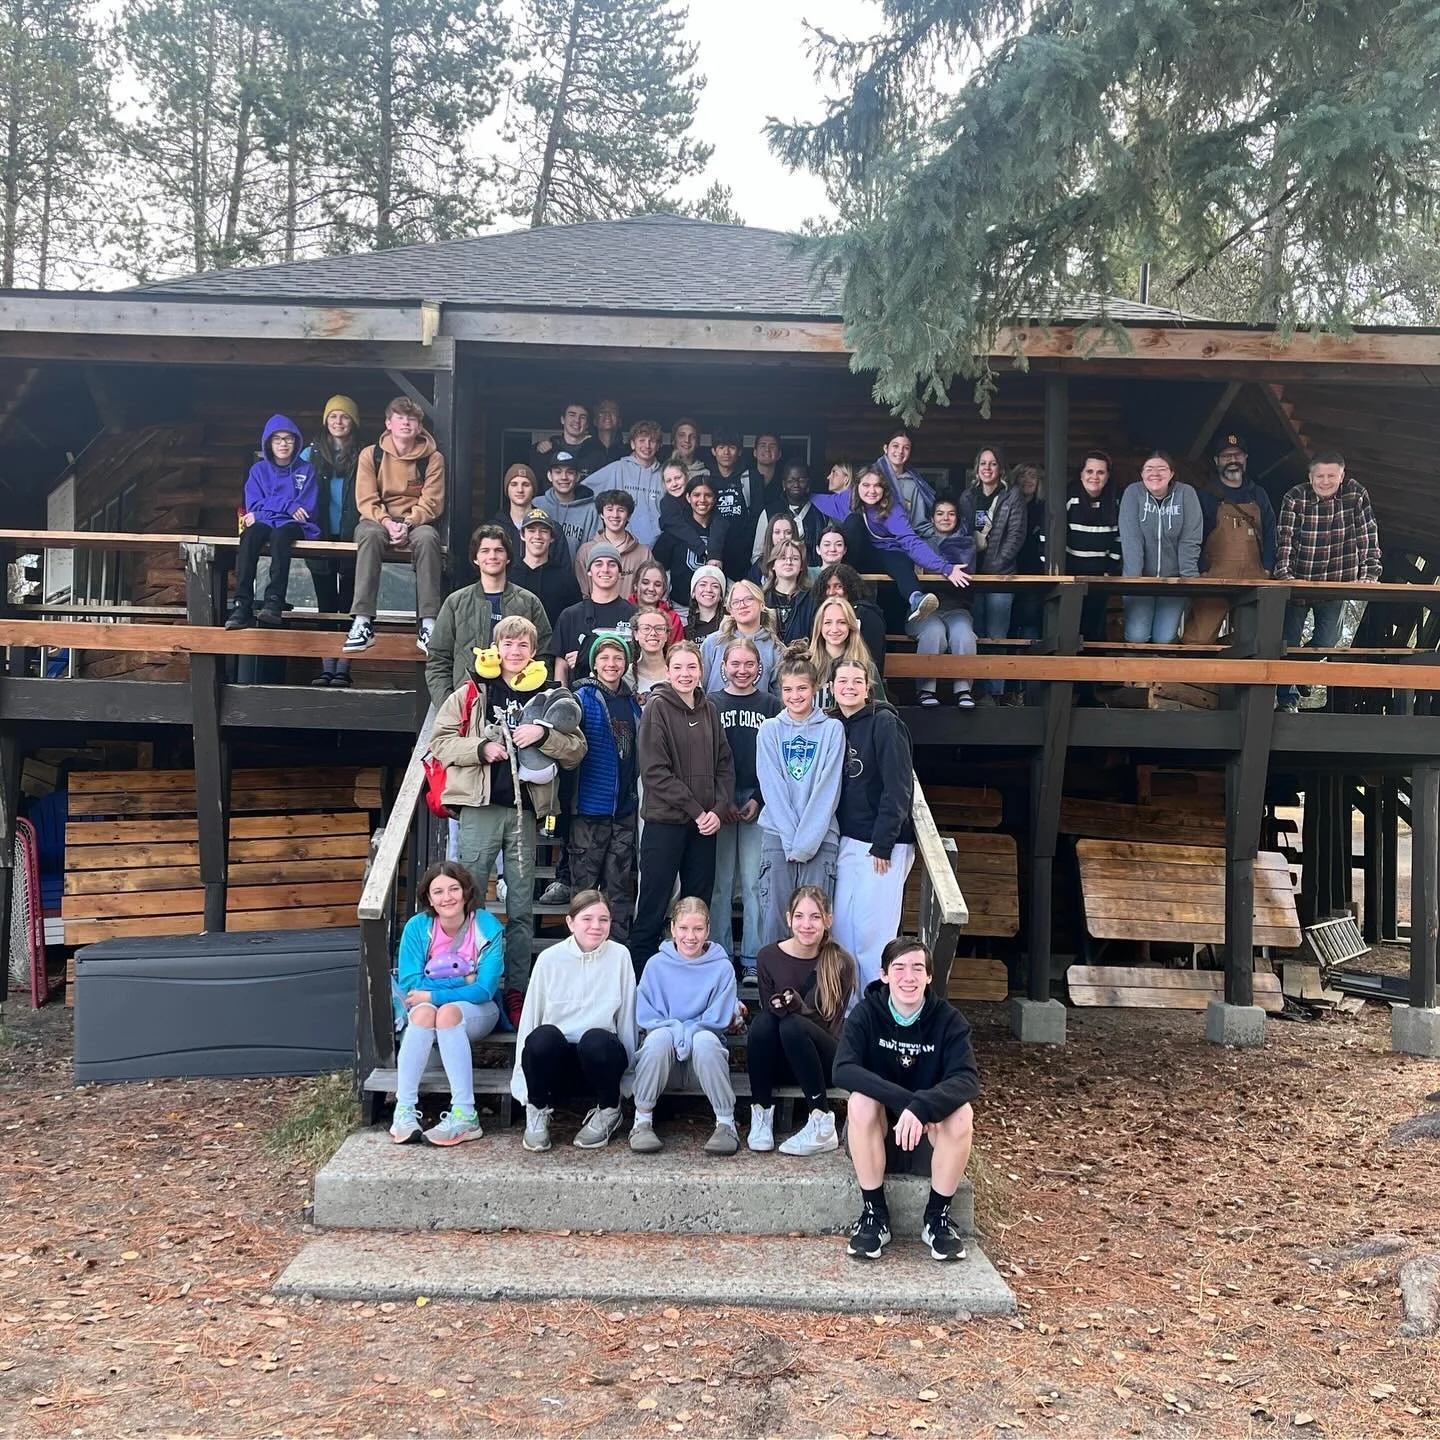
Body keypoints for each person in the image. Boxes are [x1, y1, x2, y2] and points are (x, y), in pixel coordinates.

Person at [428, 615, 586, 1024]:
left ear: (533, 652)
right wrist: (481, 749)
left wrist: (544, 736)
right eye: (508, 644)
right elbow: (440, 742)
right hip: (480, 808)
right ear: (495, 648)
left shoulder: (549, 694)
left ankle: (516, 989)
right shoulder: (472, 691)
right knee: (469, 900)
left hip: (525, 812)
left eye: (523, 646)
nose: (515, 652)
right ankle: (468, 981)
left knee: (520, 908)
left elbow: (576, 750)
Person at [835, 938, 979, 1263]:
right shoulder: (866, 1013)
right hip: (879, 1137)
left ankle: (937, 1218)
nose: (908, 977)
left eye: (917, 968)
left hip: (928, 1141)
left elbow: (967, 1078)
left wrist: (923, 1108)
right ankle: (874, 1215)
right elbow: (843, 1069)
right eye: (899, 968)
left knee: (962, 1114)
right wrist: (908, 1102)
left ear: (929, 976)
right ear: (884, 975)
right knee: (860, 1102)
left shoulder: (948, 1020)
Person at [629, 641, 735, 975]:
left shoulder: (710, 709)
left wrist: (718, 810)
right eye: (678, 667)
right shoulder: (657, 708)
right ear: (668, 671)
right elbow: (655, 772)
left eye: (691, 667)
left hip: (704, 826)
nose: (685, 674)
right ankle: (642, 980)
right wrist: (697, 810)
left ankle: (693, 977)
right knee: (654, 903)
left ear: (701, 671)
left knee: (697, 907)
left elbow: (724, 764)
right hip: (666, 822)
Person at [512, 890, 637, 1152]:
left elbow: (627, 1019)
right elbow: (530, 1020)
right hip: (557, 1064)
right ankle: (537, 1111)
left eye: (603, 920)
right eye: (587, 919)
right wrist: (522, 1081)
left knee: (596, 1039)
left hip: (599, 1062)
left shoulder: (620, 956)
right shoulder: (549, 959)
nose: (596, 926)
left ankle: (609, 1110)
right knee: (543, 1037)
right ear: (570, 922)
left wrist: (628, 1080)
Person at [388, 861, 503, 1147]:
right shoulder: (418, 927)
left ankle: (465, 1114)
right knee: (422, 1015)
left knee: (447, 1013)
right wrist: (463, 980)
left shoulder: (486, 925)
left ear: (466, 892)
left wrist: (434, 995)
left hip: (479, 1011)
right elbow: (411, 984)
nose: (447, 897)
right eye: (438, 891)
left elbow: (484, 989)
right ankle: (404, 1110)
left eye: (454, 889)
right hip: (429, 1007)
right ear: (429, 898)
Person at [745, 885, 857, 1156]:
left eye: (815, 917)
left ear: (828, 920)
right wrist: (783, 1007)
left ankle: (821, 1121)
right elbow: (770, 1016)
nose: (806, 924)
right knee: (762, 1023)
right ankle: (761, 1112)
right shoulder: (768, 956)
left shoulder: (840, 961)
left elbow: (831, 1025)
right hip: (782, 1060)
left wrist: (799, 1009)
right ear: (788, 919)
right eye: (799, 916)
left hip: (823, 1061)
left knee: (792, 1024)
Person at [630, 897, 742, 1155]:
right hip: (663, 1064)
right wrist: (678, 1035)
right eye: (683, 928)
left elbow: (715, 1020)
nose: (690, 937)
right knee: (658, 1039)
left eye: (698, 929)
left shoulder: (722, 968)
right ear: (672, 928)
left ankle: (726, 1123)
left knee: (704, 1040)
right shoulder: (656, 965)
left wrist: (685, 1035)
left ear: (708, 930)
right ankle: (642, 1120)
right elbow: (647, 1017)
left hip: (703, 1065)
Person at [1273, 449, 1381, 712]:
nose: (1325, 481)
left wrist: (1370, 574)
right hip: (1299, 583)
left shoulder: (1355, 494)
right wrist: (1285, 577)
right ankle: (1287, 700)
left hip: (1335, 583)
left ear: (1342, 476)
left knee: (1328, 641)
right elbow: (1285, 539)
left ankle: (1298, 673)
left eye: (1331, 476)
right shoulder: (1295, 497)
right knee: (1287, 644)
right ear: (1310, 477)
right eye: (1319, 476)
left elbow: (1367, 534)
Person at [829, 658, 915, 989]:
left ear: (868, 688)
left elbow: (898, 787)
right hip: (847, 839)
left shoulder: (886, 724)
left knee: (873, 934)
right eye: (842, 681)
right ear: (832, 687)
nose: (849, 687)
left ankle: (876, 1003)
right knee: (843, 930)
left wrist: (883, 842)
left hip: (881, 845)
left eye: (856, 681)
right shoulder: (834, 724)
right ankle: (848, 1007)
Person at [755, 651, 846, 946]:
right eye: (788, 689)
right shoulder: (769, 730)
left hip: (820, 839)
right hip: (777, 837)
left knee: (814, 926)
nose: (795, 696)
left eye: (802, 688)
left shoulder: (832, 729)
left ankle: (816, 979)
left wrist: (805, 843)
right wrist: (790, 838)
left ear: (815, 687)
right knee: (776, 923)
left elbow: (828, 789)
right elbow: (772, 788)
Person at [344, 396, 445, 655]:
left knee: (428, 539)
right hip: (377, 519)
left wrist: (408, 523)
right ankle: (363, 621)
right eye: (400, 418)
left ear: (419, 426)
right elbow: (366, 499)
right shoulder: (371, 454)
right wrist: (388, 522)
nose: (406, 423)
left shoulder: (432, 458)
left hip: (416, 521)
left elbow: (432, 502)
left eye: (412, 419)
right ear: (388, 423)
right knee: (369, 536)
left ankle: (428, 624)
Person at [812, 465, 969, 626]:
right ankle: (842, 578)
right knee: (853, 520)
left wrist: (946, 568)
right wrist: (801, 493)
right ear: (857, 486)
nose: (871, 490)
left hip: (889, 554)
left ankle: (916, 598)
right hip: (859, 556)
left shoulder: (892, 508)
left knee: (900, 560)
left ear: (884, 489)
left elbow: (911, 542)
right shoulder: (847, 499)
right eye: (866, 485)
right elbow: (817, 500)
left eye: (877, 486)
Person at [708, 637, 781, 979]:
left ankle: (753, 958)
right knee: (720, 883)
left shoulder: (771, 705)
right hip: (719, 800)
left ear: (759, 667)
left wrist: (760, 799)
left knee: (754, 883)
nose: (742, 670)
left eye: (749, 664)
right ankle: (721, 955)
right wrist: (720, 801)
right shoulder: (711, 703)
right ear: (723, 667)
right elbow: (705, 758)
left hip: (757, 797)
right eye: (735, 664)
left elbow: (778, 761)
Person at [425, 524, 553, 710]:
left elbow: (544, 656)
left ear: (508, 557)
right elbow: (438, 659)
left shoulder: (529, 602)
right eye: (485, 551)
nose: (492, 556)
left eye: (498, 550)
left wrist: (533, 701)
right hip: (467, 705)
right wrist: (448, 704)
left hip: (517, 706)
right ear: (475, 558)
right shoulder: (456, 602)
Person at [570, 634, 642, 943]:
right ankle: (581, 951)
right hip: (589, 809)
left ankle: (618, 952)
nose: (611, 664)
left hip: (623, 809)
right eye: (605, 658)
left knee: (619, 889)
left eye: (618, 658)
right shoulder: (581, 698)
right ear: (594, 663)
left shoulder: (631, 702)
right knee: (585, 891)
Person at [1182, 433, 1278, 645]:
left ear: (1245, 458)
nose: (1233, 460)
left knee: (1254, 639)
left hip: (1254, 577)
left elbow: (1271, 532)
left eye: (1237, 455)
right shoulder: (1205, 495)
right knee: (1199, 638)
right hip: (1215, 576)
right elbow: (1193, 535)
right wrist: (1201, 569)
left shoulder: (1258, 494)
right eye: (1226, 456)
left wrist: (1268, 568)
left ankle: (1228, 664)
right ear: (1217, 461)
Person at [227, 414, 318, 630]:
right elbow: (253, 505)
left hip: (294, 526)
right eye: (277, 439)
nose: (283, 444)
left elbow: (306, 510)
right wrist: (286, 505)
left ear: (296, 442)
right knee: (249, 536)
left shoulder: (307, 470)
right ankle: (241, 605)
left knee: (280, 536)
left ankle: (274, 602)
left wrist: (265, 512)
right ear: (268, 443)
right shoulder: (258, 471)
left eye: (288, 438)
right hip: (265, 522)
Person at [959, 446, 1027, 700]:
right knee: (975, 634)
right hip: (972, 577)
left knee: (997, 635)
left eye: (993, 463)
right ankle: (975, 690)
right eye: (983, 463)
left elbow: (1016, 535)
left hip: (1001, 577)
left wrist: (997, 563)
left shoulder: (1012, 496)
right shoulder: (968, 497)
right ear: (977, 468)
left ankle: (995, 692)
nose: (987, 468)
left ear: (1001, 468)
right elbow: (961, 533)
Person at [303, 396, 360, 686]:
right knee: (325, 604)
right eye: (333, 416)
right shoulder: (309, 454)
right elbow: (295, 488)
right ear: (326, 421)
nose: (338, 422)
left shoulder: (365, 454)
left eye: (345, 416)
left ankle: (343, 668)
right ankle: (327, 666)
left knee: (350, 604)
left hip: (353, 534)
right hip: (319, 533)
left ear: (354, 422)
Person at [1118, 451, 1203, 643]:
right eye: (1149, 468)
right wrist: (1133, 583)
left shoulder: (1186, 494)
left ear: (1172, 473)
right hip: (1141, 580)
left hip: (1173, 582)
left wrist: (1190, 581)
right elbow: (1131, 541)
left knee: (1164, 639)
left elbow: (1190, 539)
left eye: (1161, 469)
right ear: (1141, 473)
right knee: (1137, 637)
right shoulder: (1133, 493)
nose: (1155, 473)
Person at [910, 496, 977, 708]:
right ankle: (925, 690)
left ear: (957, 519)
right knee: (934, 632)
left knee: (964, 634)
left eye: (951, 514)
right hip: (924, 609)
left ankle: (963, 690)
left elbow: (966, 572)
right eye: (940, 514)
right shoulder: (918, 543)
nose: (945, 518)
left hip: (956, 608)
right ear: (931, 518)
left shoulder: (967, 543)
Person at [550, 544, 637, 684]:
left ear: (620, 572)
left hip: (624, 693)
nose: (605, 569)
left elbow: (640, 661)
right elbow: (561, 667)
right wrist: (561, 695)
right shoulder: (570, 616)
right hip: (579, 694)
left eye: (612, 564)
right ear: (589, 571)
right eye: (598, 564)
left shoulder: (634, 615)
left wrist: (584, 656)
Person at [1064, 451, 1122, 643]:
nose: (1094, 477)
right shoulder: (1068, 498)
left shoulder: (1115, 502)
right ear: (1081, 474)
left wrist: (1109, 569)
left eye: (1100, 472)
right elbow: (1048, 534)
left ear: (1108, 476)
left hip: (1100, 578)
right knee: (1069, 630)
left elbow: (1120, 538)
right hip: (1070, 577)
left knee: (1094, 631)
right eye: (1089, 471)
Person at [588, 419, 665, 546]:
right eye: (642, 440)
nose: (647, 445)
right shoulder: (617, 468)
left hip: (658, 545)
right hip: (620, 545)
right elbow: (584, 492)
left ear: (658, 446)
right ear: (633, 444)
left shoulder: (665, 475)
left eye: (652, 441)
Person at [655, 474, 728, 606]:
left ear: (715, 499)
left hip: (715, 607)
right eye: (696, 495)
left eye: (708, 495)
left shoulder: (723, 530)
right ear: (688, 498)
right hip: (680, 606)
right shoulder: (675, 530)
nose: (702, 500)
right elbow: (658, 567)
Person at [699, 579, 783, 693]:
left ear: (762, 605)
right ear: (730, 611)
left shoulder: (776, 649)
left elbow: (779, 695)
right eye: (736, 602)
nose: (742, 605)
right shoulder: (713, 643)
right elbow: (699, 688)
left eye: (749, 599)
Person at [1007, 464, 1048, 683]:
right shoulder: (1007, 505)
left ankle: (1028, 685)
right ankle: (1009, 685)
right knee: (1008, 626)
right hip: (1008, 572)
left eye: (1033, 476)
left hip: (1034, 574)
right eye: (1023, 475)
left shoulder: (1043, 509)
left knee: (1031, 624)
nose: (1028, 480)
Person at [511, 507, 583, 627]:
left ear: (552, 537)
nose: (537, 536)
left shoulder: (565, 578)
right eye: (531, 530)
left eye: (544, 531)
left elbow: (575, 621)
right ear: (522, 535)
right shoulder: (510, 575)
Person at [710, 428, 767, 580]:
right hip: (714, 553)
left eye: (732, 447)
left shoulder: (751, 478)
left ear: (740, 451)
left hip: (744, 555)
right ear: (713, 451)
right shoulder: (706, 478)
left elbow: (758, 517)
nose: (726, 452)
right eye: (721, 447)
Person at [494, 463, 572, 573]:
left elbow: (564, 571)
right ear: (507, 489)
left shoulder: (553, 528)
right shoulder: (494, 529)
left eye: (526, 484)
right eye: (514, 484)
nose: (520, 490)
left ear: (533, 489)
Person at [575, 489, 653, 597]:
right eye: (609, 509)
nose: (615, 515)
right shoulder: (586, 551)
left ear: (628, 515)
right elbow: (582, 593)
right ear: (601, 514)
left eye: (621, 510)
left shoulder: (644, 553)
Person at [809, 596, 884, 706]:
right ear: (819, 627)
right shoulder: (806, 665)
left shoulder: (866, 666)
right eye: (828, 622)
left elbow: (882, 709)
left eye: (842, 622)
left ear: (851, 625)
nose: (834, 629)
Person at [814, 563, 888, 671]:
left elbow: (873, 657)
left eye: (838, 586)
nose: (831, 592)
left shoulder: (868, 615)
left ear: (851, 587)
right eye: (827, 587)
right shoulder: (819, 613)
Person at [755, 462, 824, 564]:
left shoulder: (821, 513)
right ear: (783, 484)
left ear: (808, 483)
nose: (796, 485)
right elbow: (758, 554)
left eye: (801, 480)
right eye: (791, 481)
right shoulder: (769, 512)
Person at [874, 427, 937, 537]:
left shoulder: (913, 484)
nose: (900, 451)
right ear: (885, 448)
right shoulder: (871, 478)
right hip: (875, 537)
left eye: (906, 448)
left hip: (904, 538)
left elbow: (918, 523)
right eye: (895, 446)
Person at [534, 451, 599, 555]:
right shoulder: (536, 504)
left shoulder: (591, 510)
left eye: (570, 472)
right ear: (549, 476)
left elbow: (594, 551)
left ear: (578, 476)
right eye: (558, 472)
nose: (564, 477)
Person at [529, 399, 609, 479]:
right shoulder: (547, 450)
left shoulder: (597, 454)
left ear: (587, 424)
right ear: (562, 420)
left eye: (582, 417)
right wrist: (537, 448)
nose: (577, 420)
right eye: (572, 415)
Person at [763, 538, 816, 645]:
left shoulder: (813, 599)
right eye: (783, 558)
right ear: (773, 565)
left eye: (795, 558)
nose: (789, 562)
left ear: (801, 566)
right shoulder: (761, 598)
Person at [629, 558, 685, 645]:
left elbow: (677, 651)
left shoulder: (673, 618)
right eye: (645, 583)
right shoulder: (622, 610)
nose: (651, 588)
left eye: (657, 585)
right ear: (635, 585)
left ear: (663, 589)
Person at [629, 606, 672, 698]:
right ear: (636, 634)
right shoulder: (626, 675)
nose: (653, 633)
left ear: (667, 635)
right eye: (646, 628)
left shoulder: (679, 671)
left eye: (659, 628)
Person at [747, 512, 800, 586]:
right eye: (777, 532)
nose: (782, 537)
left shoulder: (801, 562)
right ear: (770, 535)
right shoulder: (759, 566)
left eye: (788, 532)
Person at [685, 564, 726, 643]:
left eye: (715, 586)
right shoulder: (686, 631)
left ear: (721, 595)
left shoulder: (730, 624)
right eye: (703, 585)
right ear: (693, 593)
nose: (708, 590)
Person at [593, 398, 625, 466]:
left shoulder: (628, 452)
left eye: (613, 411)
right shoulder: (584, 449)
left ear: (619, 422)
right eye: (602, 411)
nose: (607, 414)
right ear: (595, 421)